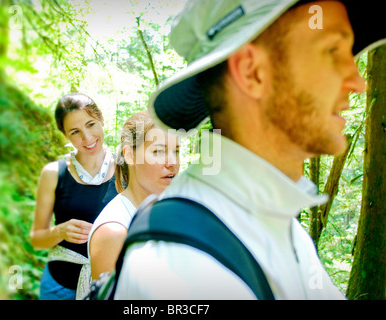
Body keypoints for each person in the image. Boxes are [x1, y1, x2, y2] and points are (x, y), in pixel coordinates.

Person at [113, 0, 386, 299]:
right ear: (252, 72)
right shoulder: (183, 273)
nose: (357, 82)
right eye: (331, 51)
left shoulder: (278, 224)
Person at [30, 93, 118, 300]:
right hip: (59, 288)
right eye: (75, 132)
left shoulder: (127, 170)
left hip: (109, 286)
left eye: (91, 124)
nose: (87, 138)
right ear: (65, 135)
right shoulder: (53, 173)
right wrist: (60, 231)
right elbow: (36, 240)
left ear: (102, 119)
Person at [87, 110, 180, 282]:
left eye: (176, 151)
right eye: (159, 151)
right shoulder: (113, 232)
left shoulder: (167, 213)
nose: (173, 162)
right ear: (130, 155)